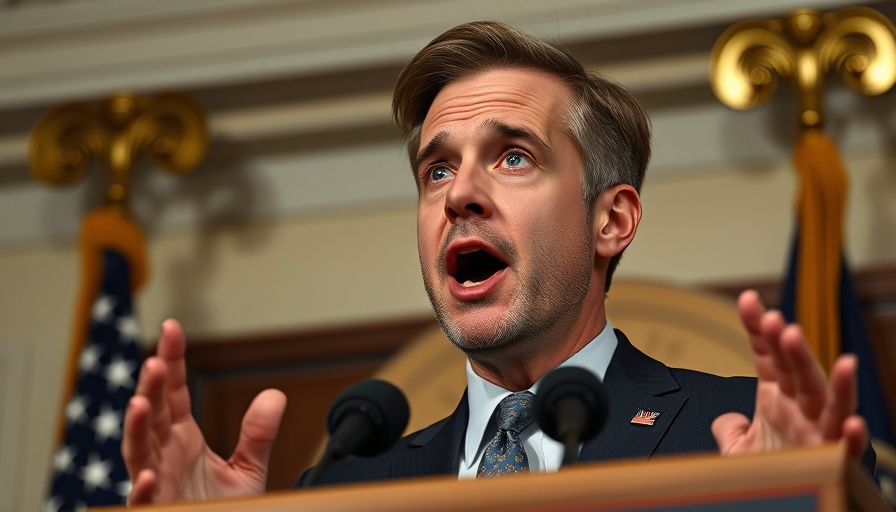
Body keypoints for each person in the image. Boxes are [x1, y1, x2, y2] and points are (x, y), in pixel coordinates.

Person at [122, 21, 873, 504]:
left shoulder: (731, 435)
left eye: (513, 157)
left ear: (611, 219)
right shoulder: (355, 482)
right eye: (437, 171)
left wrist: (798, 496)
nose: (460, 196)